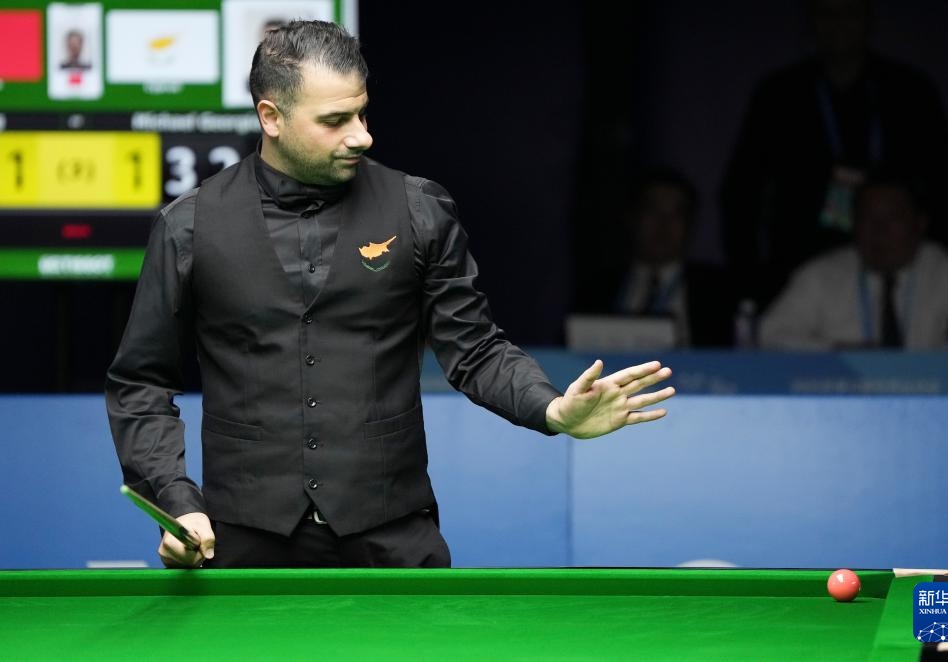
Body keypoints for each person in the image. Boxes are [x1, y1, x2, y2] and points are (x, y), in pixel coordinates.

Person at [106, 21, 675, 570]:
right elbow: (141, 381)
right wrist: (176, 501)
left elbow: (475, 350)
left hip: (390, 532)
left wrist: (549, 409)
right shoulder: (189, 226)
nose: (361, 135)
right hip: (242, 538)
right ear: (270, 117)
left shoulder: (420, 209)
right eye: (335, 121)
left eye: (361, 113)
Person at [721, 0, 948, 309]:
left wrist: (932, 265)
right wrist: (751, 279)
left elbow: (943, 186)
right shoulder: (780, 93)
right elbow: (742, 192)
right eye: (826, 13)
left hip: (898, 268)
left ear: (868, 19)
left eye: (849, 12)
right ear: (811, 21)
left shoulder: (909, 90)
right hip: (800, 263)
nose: (838, 23)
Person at [759, 170, 948, 350]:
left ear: (920, 223)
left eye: (892, 218)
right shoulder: (819, 274)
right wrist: (835, 352)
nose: (879, 231)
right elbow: (768, 335)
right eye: (867, 218)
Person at [608, 169, 733, 347]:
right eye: (652, 211)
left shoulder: (718, 290)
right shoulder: (597, 289)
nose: (663, 225)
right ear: (632, 218)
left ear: (691, 224)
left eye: (676, 214)